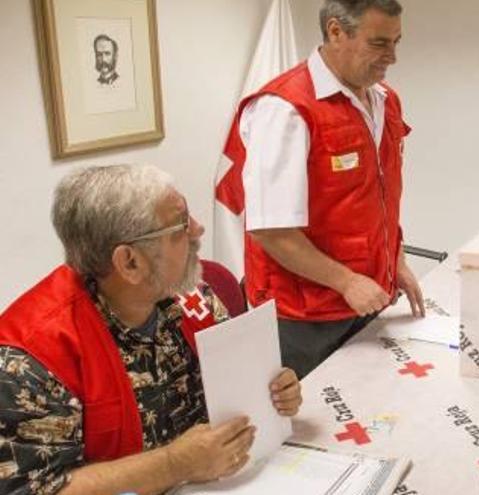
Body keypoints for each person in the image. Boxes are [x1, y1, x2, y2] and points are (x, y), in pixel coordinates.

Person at [0, 164, 303, 495]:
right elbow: (36, 489)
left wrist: (274, 391)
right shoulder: (30, 358)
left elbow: (237, 389)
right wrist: (174, 465)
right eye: (180, 227)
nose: (198, 230)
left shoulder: (190, 293)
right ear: (130, 263)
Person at [217, 0, 424, 379]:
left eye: (397, 42)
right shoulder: (285, 110)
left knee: (373, 415)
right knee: (309, 433)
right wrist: (346, 281)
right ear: (335, 31)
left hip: (365, 298)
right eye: (379, 43)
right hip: (302, 318)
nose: (392, 57)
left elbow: (376, 198)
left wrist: (396, 259)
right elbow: (270, 231)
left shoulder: (384, 99)